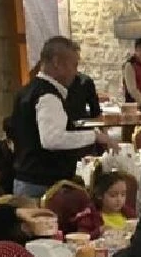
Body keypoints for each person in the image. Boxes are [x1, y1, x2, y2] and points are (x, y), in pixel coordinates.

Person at [11, 37, 111, 200]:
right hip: (43, 184)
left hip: (27, 178)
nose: (76, 73)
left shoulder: (27, 91)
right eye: (74, 65)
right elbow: (52, 140)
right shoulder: (48, 96)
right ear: (57, 62)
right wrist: (94, 136)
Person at [73, 165, 138, 237]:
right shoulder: (90, 217)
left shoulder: (129, 214)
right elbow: (81, 237)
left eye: (123, 195)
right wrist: (98, 231)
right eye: (113, 195)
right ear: (99, 195)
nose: (119, 199)